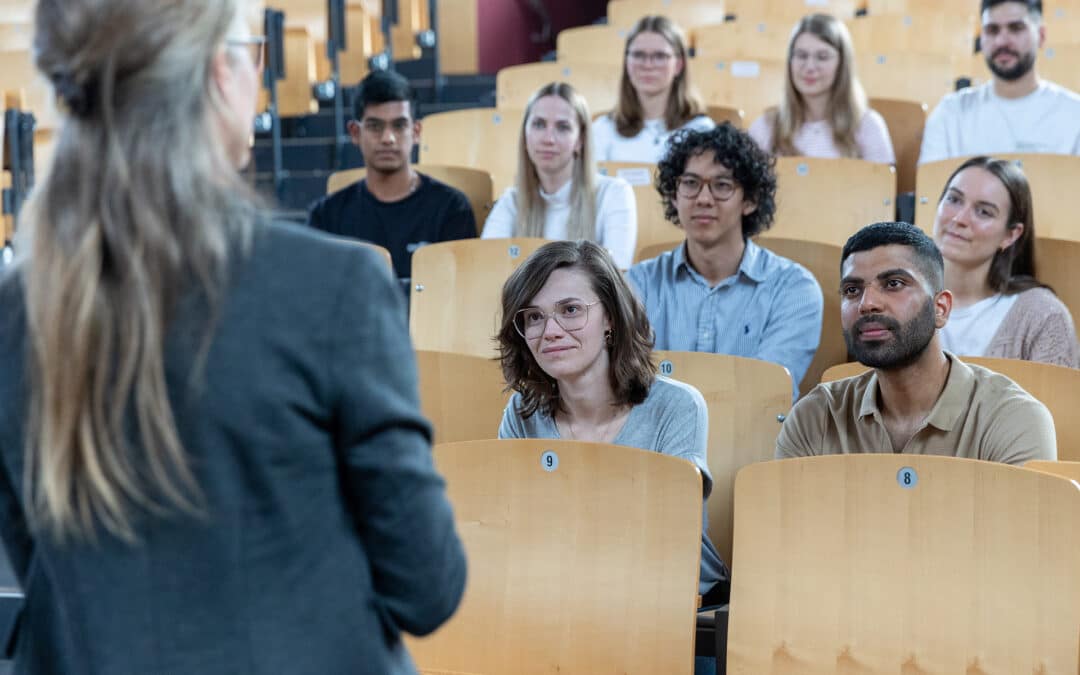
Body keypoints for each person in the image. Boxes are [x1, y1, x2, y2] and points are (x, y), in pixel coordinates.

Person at [0, 1, 466, 672]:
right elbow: (426, 586)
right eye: (253, 51)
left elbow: (50, 576)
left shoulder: (14, 314)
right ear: (222, 70)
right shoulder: (337, 288)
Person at [495, 240, 729, 607]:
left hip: (676, 604)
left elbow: (670, 537)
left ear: (610, 318)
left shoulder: (677, 406)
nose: (550, 330)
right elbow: (512, 528)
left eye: (570, 310)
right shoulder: (522, 412)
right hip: (562, 597)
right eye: (534, 317)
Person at [776, 222, 1057, 464]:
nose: (867, 303)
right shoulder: (815, 418)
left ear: (940, 309)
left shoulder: (1011, 419)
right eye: (852, 290)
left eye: (894, 284)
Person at [628, 125, 824, 400]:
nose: (703, 199)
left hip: (750, 428)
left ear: (750, 200)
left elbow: (766, 396)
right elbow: (627, 387)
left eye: (722, 186)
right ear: (674, 195)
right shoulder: (637, 284)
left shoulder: (793, 289)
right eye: (691, 183)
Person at [307, 69, 476, 280]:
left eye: (399, 126)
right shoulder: (326, 215)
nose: (388, 138)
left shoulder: (451, 208)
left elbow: (458, 290)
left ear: (416, 132)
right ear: (355, 133)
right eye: (375, 126)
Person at [932, 156, 1078, 366]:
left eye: (984, 212)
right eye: (954, 199)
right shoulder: (894, 295)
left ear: (1010, 235)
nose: (959, 219)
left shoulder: (1044, 316)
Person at [481, 82, 638, 269]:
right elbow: (487, 270)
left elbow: (616, 273)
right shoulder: (511, 202)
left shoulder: (614, 194)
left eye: (563, 127)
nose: (548, 139)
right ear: (525, 135)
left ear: (580, 140)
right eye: (539, 124)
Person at [919, 0, 1080, 164]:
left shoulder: (1075, 114)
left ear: (1041, 35)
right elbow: (931, 179)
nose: (1001, 41)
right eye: (992, 30)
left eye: (1016, 28)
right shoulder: (951, 114)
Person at [748, 13, 895, 164]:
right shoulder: (765, 127)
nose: (810, 67)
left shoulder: (868, 126)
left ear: (842, 64)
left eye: (822, 57)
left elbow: (882, 179)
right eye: (801, 55)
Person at [591, 15, 714, 163]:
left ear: (678, 65)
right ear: (626, 62)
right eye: (638, 55)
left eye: (660, 56)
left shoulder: (700, 130)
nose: (648, 65)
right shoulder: (602, 129)